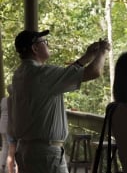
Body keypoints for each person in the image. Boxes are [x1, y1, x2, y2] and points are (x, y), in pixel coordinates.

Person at [11, 29, 110, 173]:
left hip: (26, 150)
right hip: (46, 155)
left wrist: (87, 56)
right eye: (45, 42)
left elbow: (64, 76)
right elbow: (94, 72)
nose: (48, 45)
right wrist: (103, 51)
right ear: (35, 48)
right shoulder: (42, 74)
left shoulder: (20, 74)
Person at [0, 85, 12, 172]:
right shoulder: (13, 100)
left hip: (2, 126)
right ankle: (12, 166)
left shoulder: (3, 100)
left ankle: (2, 166)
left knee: (5, 146)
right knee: (11, 146)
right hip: (9, 127)